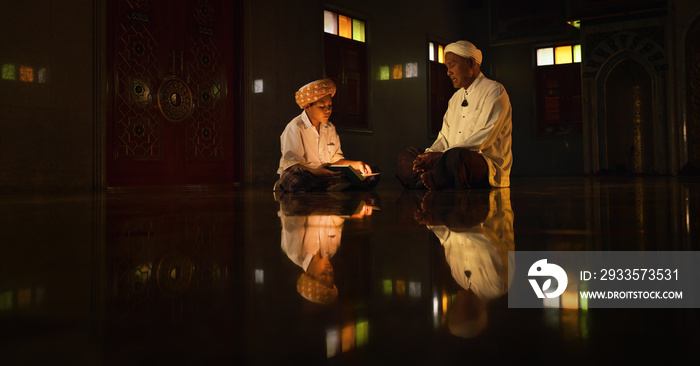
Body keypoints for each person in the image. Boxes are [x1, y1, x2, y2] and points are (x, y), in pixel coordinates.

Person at [397, 40, 512, 190]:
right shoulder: (455, 98)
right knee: (407, 155)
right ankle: (430, 179)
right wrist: (428, 155)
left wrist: (440, 156)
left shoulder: (494, 90)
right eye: (447, 67)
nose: (448, 72)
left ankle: (428, 180)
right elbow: (444, 137)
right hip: (447, 160)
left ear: (471, 63)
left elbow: (483, 139)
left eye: (452, 65)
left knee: (457, 157)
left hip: (481, 163)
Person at [276, 78, 379, 192]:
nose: (328, 110)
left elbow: (336, 160)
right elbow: (292, 165)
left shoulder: (329, 128)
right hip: (307, 174)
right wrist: (317, 172)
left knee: (372, 171)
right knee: (295, 180)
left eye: (330, 105)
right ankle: (333, 186)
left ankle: (327, 186)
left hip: (327, 174)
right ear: (307, 107)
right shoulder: (295, 127)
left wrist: (358, 164)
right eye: (322, 106)